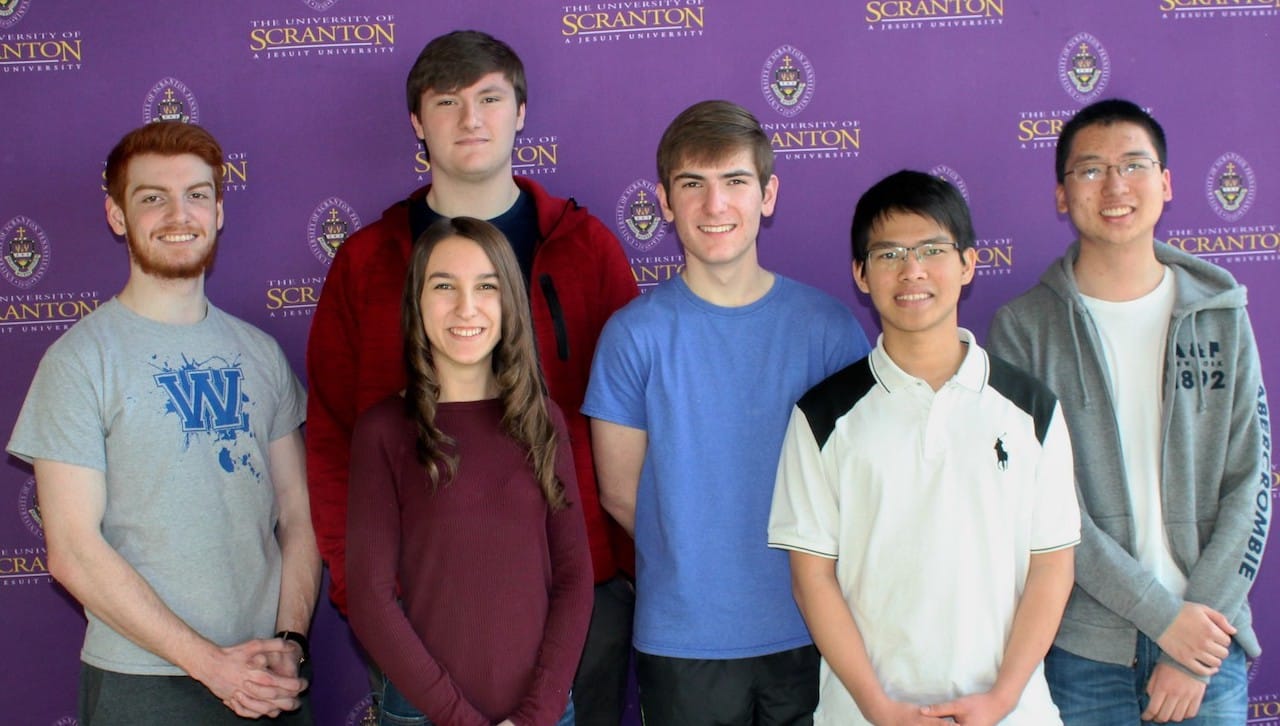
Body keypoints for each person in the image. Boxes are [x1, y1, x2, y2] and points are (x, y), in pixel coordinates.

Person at [305, 30, 639, 722]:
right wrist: (362, 588)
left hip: (583, 600)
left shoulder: (587, 249)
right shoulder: (368, 261)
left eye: (490, 98)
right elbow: (334, 437)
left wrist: (622, 566)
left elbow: (637, 421)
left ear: (521, 111)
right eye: (448, 102)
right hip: (415, 613)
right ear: (416, 124)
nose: (471, 118)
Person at [6, 121, 320, 724]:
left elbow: (298, 514)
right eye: (153, 197)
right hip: (143, 681)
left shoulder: (259, 354)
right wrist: (210, 664)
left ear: (219, 211)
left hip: (268, 677)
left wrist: (291, 641)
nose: (180, 214)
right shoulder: (79, 361)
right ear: (117, 215)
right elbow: (71, 551)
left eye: (197, 195)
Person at [583, 99, 871, 724]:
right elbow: (621, 494)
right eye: (694, 185)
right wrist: (704, 553)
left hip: (815, 628)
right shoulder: (633, 338)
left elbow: (861, 484)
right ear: (664, 201)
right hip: (683, 641)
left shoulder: (828, 331)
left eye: (735, 182)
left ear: (768, 194)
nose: (715, 207)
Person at [988, 98, 1272, 725]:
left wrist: (1191, 641)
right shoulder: (1021, 331)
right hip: (1085, 651)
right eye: (1090, 170)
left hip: (1208, 640)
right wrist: (1160, 616)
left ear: (1166, 184)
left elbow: (1250, 484)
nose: (1114, 186)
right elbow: (1040, 502)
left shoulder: (1222, 313)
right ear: (1062, 195)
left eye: (1134, 165)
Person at [768, 170, 1080, 725]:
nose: (912, 270)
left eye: (933, 249)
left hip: (1009, 712)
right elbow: (811, 575)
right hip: (868, 715)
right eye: (888, 255)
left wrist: (1001, 699)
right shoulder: (823, 415)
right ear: (860, 274)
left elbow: (1052, 563)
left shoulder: (1031, 408)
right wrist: (878, 708)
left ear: (968, 264)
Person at [346, 217, 592, 726]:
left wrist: (537, 714)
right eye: (444, 286)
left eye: (486, 286)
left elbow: (574, 577)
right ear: (416, 300)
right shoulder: (385, 430)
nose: (466, 306)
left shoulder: (541, 420)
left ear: (509, 304)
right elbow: (369, 598)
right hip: (425, 714)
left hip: (541, 714)